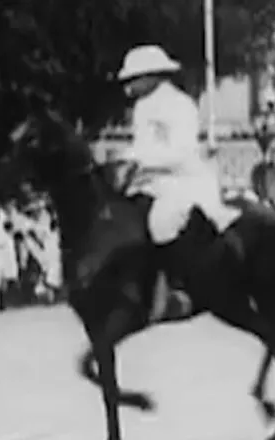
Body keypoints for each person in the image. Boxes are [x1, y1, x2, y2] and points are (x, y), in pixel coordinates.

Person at [80, 44, 239, 318]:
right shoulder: (142, 108)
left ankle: (177, 287)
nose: (129, 84)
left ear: (153, 76)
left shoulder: (181, 105)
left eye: (135, 78)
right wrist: (125, 159)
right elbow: (141, 147)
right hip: (149, 180)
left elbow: (182, 152)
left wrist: (139, 159)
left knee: (162, 222)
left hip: (183, 178)